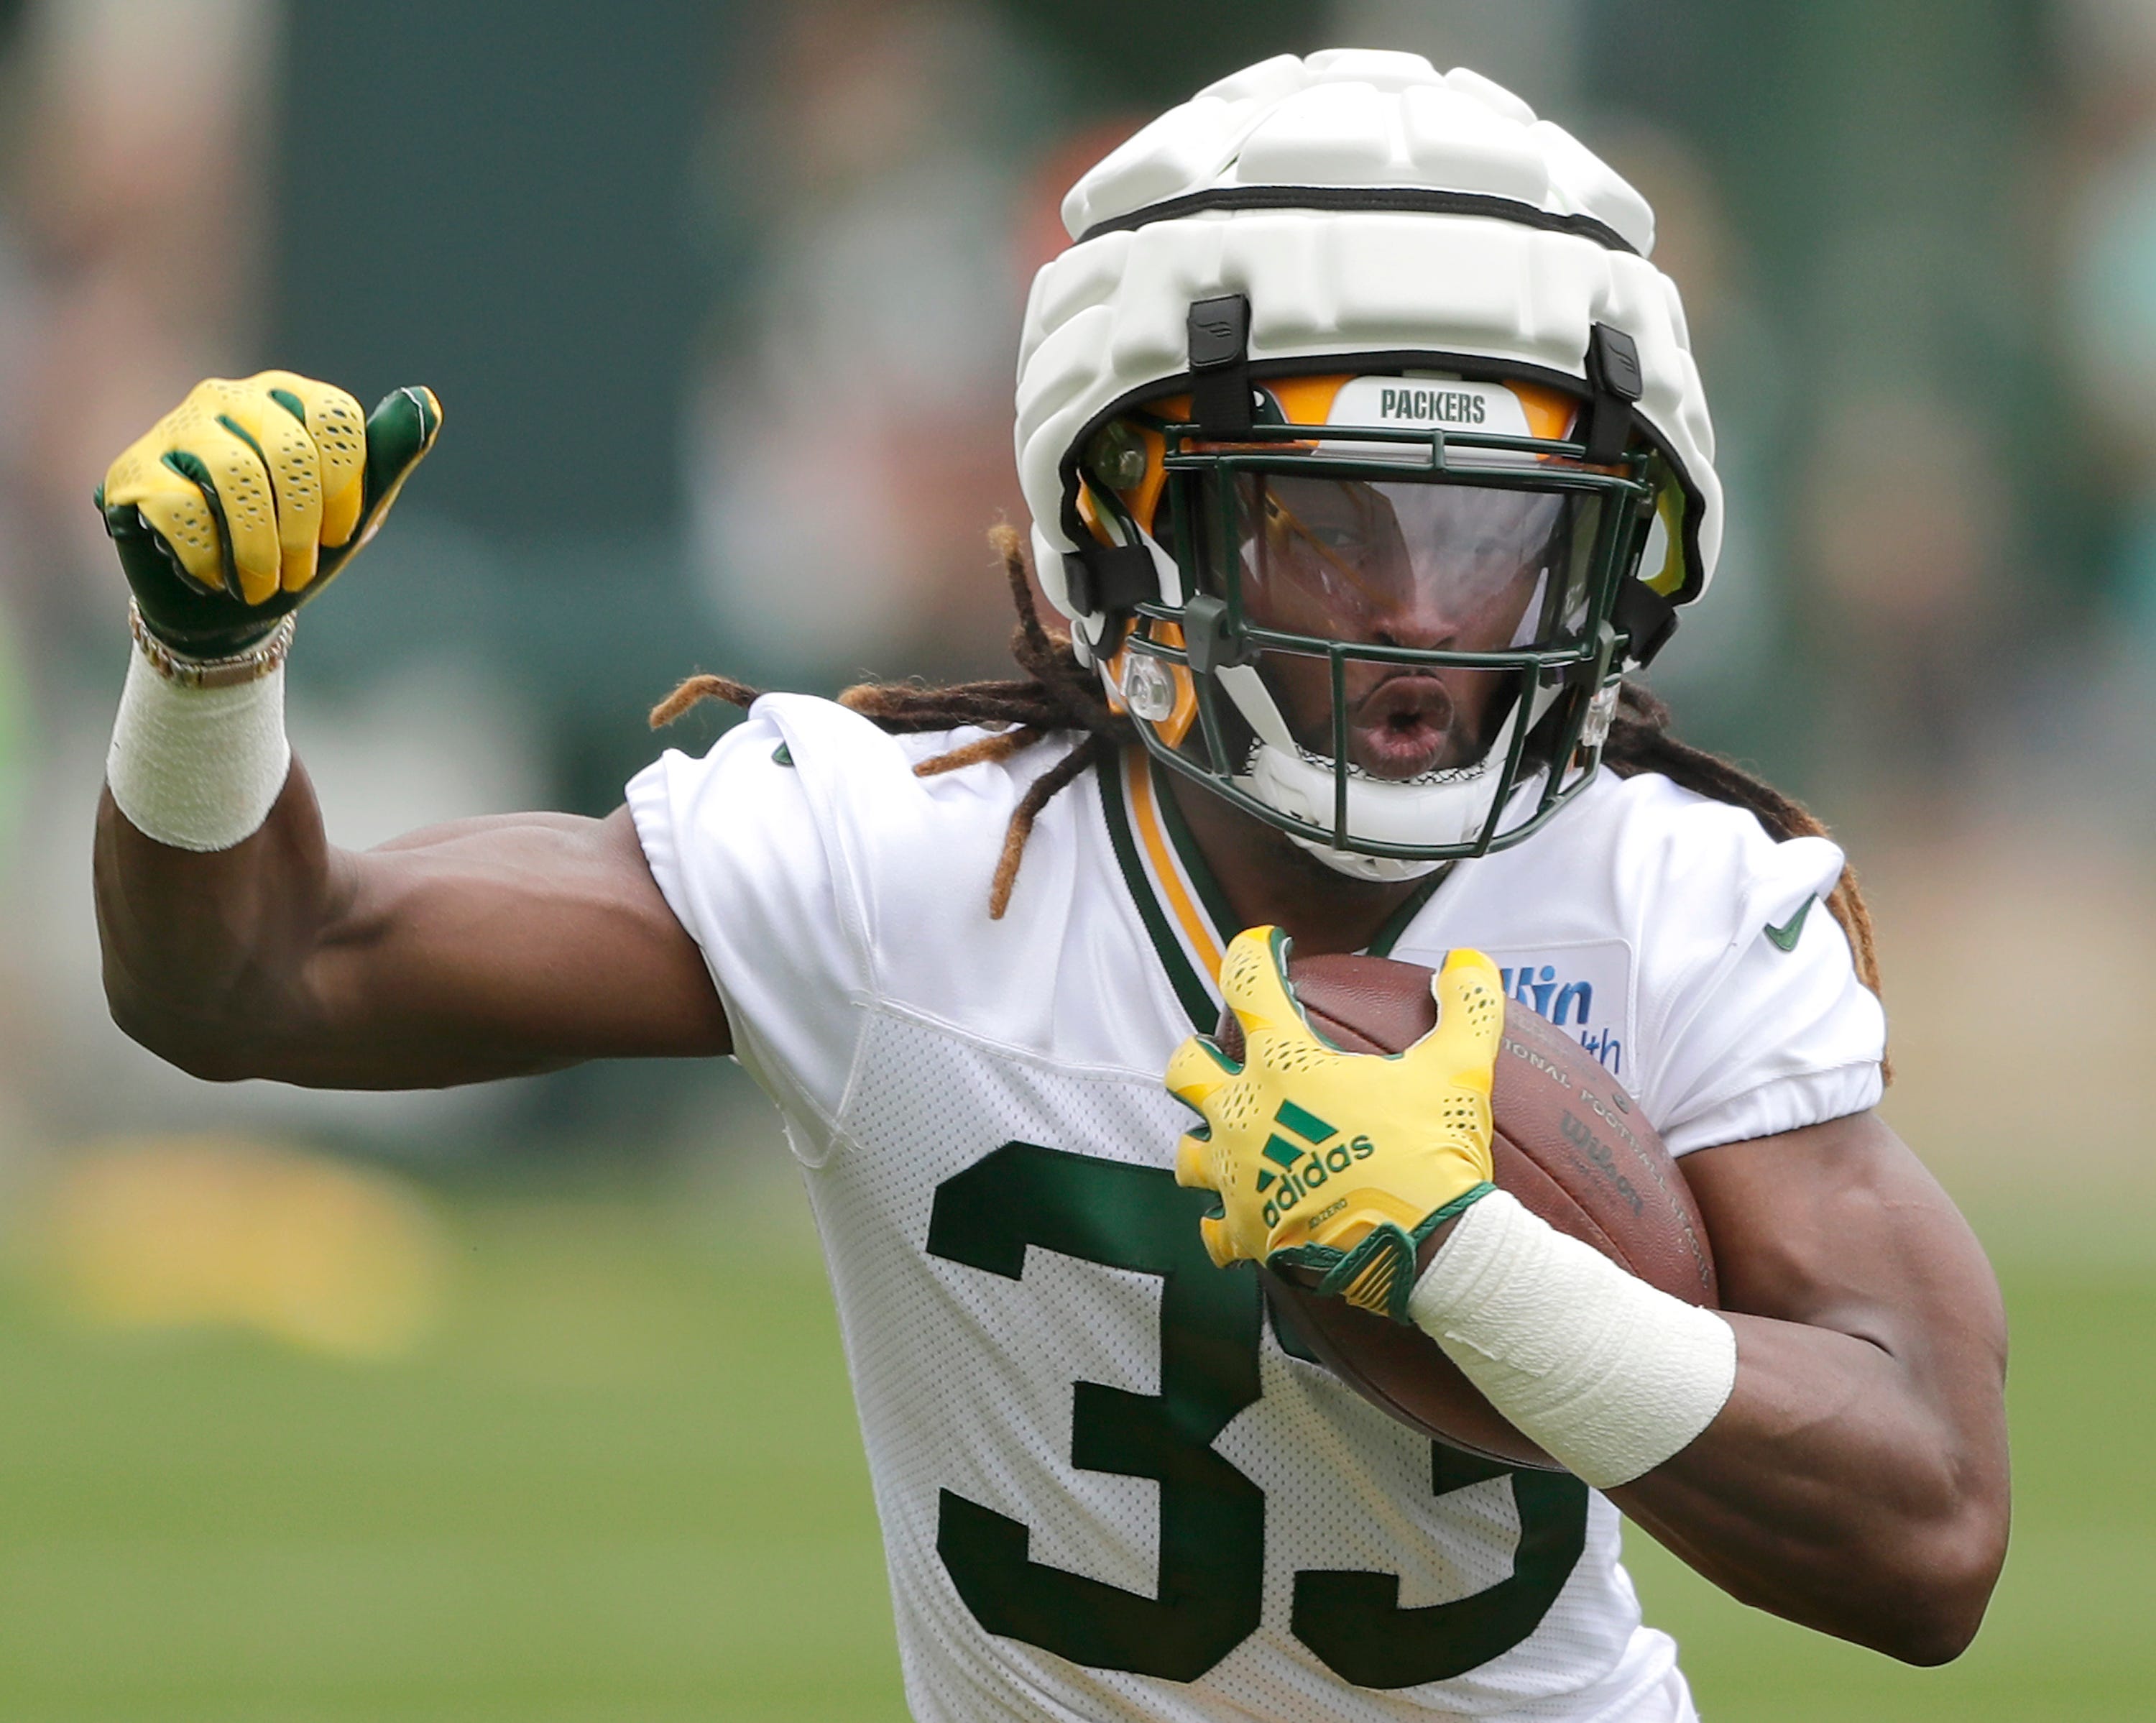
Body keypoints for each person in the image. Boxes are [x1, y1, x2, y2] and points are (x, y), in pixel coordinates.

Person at [92, 51, 2007, 1723]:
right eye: (1332, 525)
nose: (1430, 617)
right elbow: (258, 974)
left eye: (1505, 535)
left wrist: (1467, 1260)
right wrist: (205, 675)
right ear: (1129, 517)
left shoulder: (1669, 890)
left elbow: (1932, 1531)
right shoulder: (907, 854)